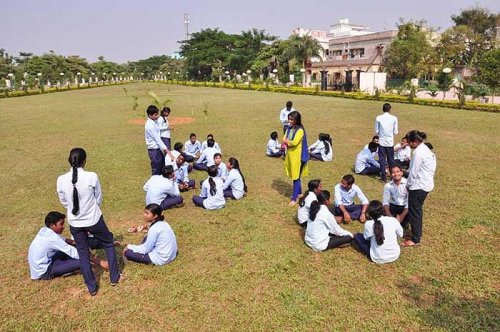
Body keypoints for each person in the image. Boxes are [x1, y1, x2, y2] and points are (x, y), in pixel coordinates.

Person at [56, 148, 120, 295]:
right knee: (108, 243)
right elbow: (99, 198)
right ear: (84, 161)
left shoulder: (61, 179)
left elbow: (64, 201)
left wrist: (76, 210)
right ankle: (114, 278)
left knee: (83, 252)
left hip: (75, 222)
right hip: (93, 219)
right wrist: (90, 209)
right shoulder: (92, 176)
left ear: (69, 160)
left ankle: (91, 287)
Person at [402, 130, 436, 247]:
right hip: (426, 184)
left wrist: (408, 185)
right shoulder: (426, 150)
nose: (409, 145)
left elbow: (413, 173)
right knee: (417, 210)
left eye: (410, 142)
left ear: (415, 141)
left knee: (414, 212)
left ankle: (415, 239)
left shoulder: (418, 153)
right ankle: (417, 233)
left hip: (418, 186)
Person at [28, 211, 80, 280]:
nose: (63, 227)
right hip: (45, 272)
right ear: (52, 225)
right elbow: (70, 250)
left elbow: (65, 241)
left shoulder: (45, 231)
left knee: (74, 251)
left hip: (43, 265)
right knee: (82, 262)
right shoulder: (52, 238)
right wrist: (96, 260)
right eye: (61, 224)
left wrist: (80, 243)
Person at [283, 111, 309, 206]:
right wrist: (287, 141)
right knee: (295, 175)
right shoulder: (289, 128)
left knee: (296, 178)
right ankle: (299, 192)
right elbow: (284, 138)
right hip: (290, 155)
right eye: (289, 119)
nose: (289, 121)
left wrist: (287, 141)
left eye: (291, 119)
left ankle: (294, 198)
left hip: (298, 157)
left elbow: (294, 142)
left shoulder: (300, 130)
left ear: (296, 120)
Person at [145, 105, 174, 175]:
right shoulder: (150, 125)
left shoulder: (154, 121)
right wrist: (169, 153)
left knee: (163, 168)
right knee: (156, 171)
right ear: (150, 115)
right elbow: (158, 139)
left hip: (158, 149)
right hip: (154, 151)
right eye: (155, 115)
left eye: (157, 114)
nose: (157, 116)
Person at [375, 103, 398, 182]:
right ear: (390, 109)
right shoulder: (394, 118)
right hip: (390, 142)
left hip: (382, 142)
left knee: (382, 159)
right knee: (391, 159)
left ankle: (383, 177)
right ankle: (393, 176)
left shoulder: (378, 118)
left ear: (383, 109)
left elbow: (377, 131)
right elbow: (395, 132)